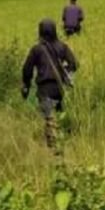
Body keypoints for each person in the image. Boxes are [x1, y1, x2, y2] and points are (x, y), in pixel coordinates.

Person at [21, 19, 79, 151]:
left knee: (49, 118)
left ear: (40, 31)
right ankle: (63, 143)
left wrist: (26, 86)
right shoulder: (62, 47)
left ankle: (53, 149)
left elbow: (27, 70)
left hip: (45, 88)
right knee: (59, 115)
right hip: (59, 87)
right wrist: (64, 73)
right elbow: (74, 64)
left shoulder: (36, 49)